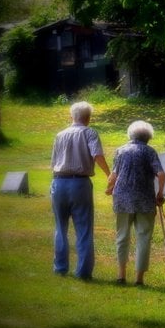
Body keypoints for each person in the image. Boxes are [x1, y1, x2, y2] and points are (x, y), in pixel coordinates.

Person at [51, 101, 111, 280]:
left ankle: (60, 268)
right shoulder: (89, 132)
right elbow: (97, 155)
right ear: (88, 118)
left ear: (72, 116)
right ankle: (83, 272)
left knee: (60, 228)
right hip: (80, 184)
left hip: (58, 182)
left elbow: (54, 162)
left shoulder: (60, 135)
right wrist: (109, 174)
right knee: (84, 228)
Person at [105, 120, 165, 287]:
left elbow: (114, 175)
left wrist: (109, 188)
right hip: (145, 199)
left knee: (122, 235)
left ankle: (121, 275)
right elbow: (161, 174)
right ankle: (139, 279)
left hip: (123, 199)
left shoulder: (121, 150)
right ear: (148, 137)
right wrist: (160, 193)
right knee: (144, 236)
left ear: (130, 134)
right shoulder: (149, 151)